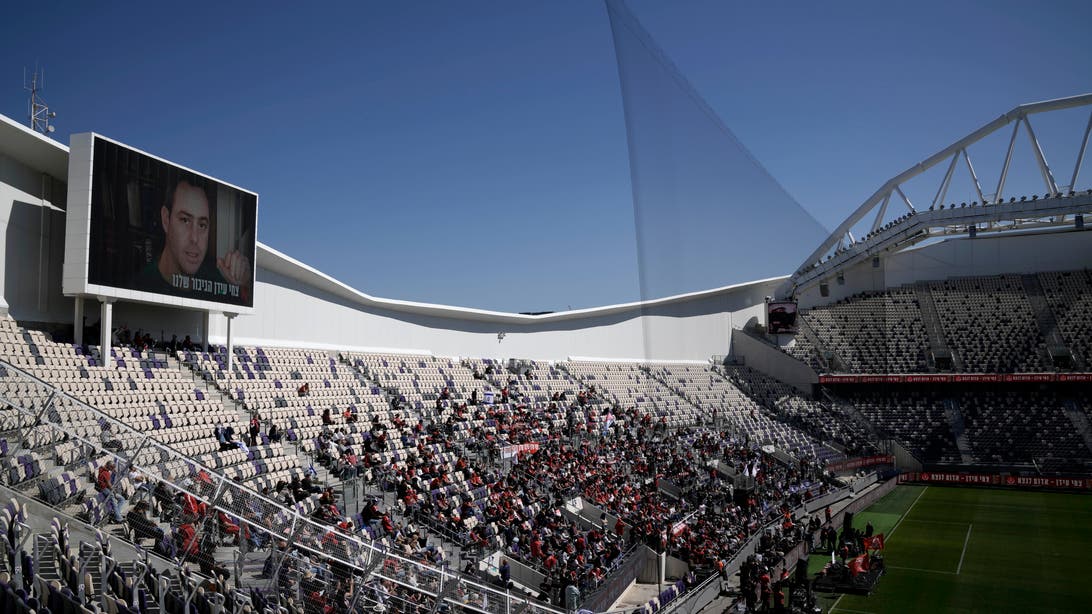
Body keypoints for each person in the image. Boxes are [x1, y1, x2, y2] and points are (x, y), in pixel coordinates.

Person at [134, 174, 252, 300]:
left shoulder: (217, 282)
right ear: (166, 220)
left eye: (202, 225)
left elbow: (242, 304)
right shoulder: (140, 286)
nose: (194, 238)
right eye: (185, 220)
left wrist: (245, 283)